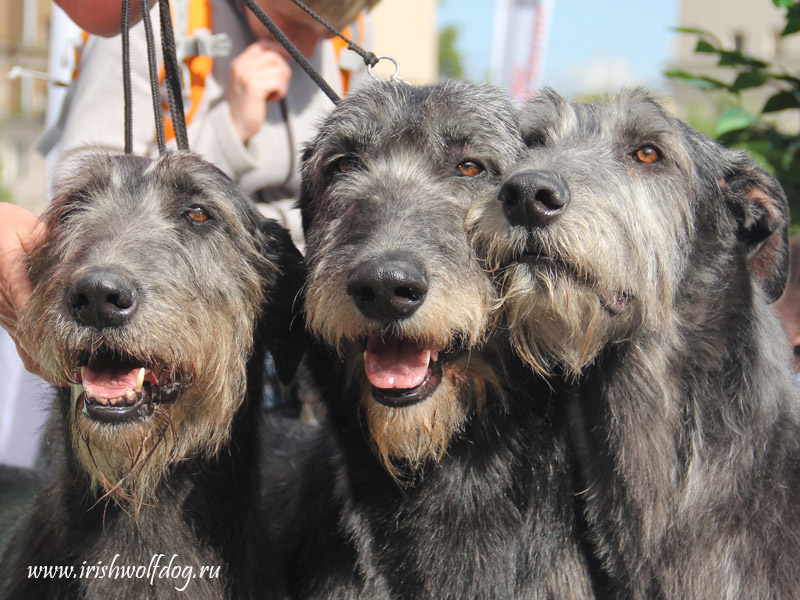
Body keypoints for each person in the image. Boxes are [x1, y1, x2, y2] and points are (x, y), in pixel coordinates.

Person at [52, 0, 379, 247]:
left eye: (324, 34)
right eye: (293, 27)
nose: (307, 49)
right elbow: (81, 184)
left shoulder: (348, 32)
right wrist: (230, 128)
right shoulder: (149, 17)